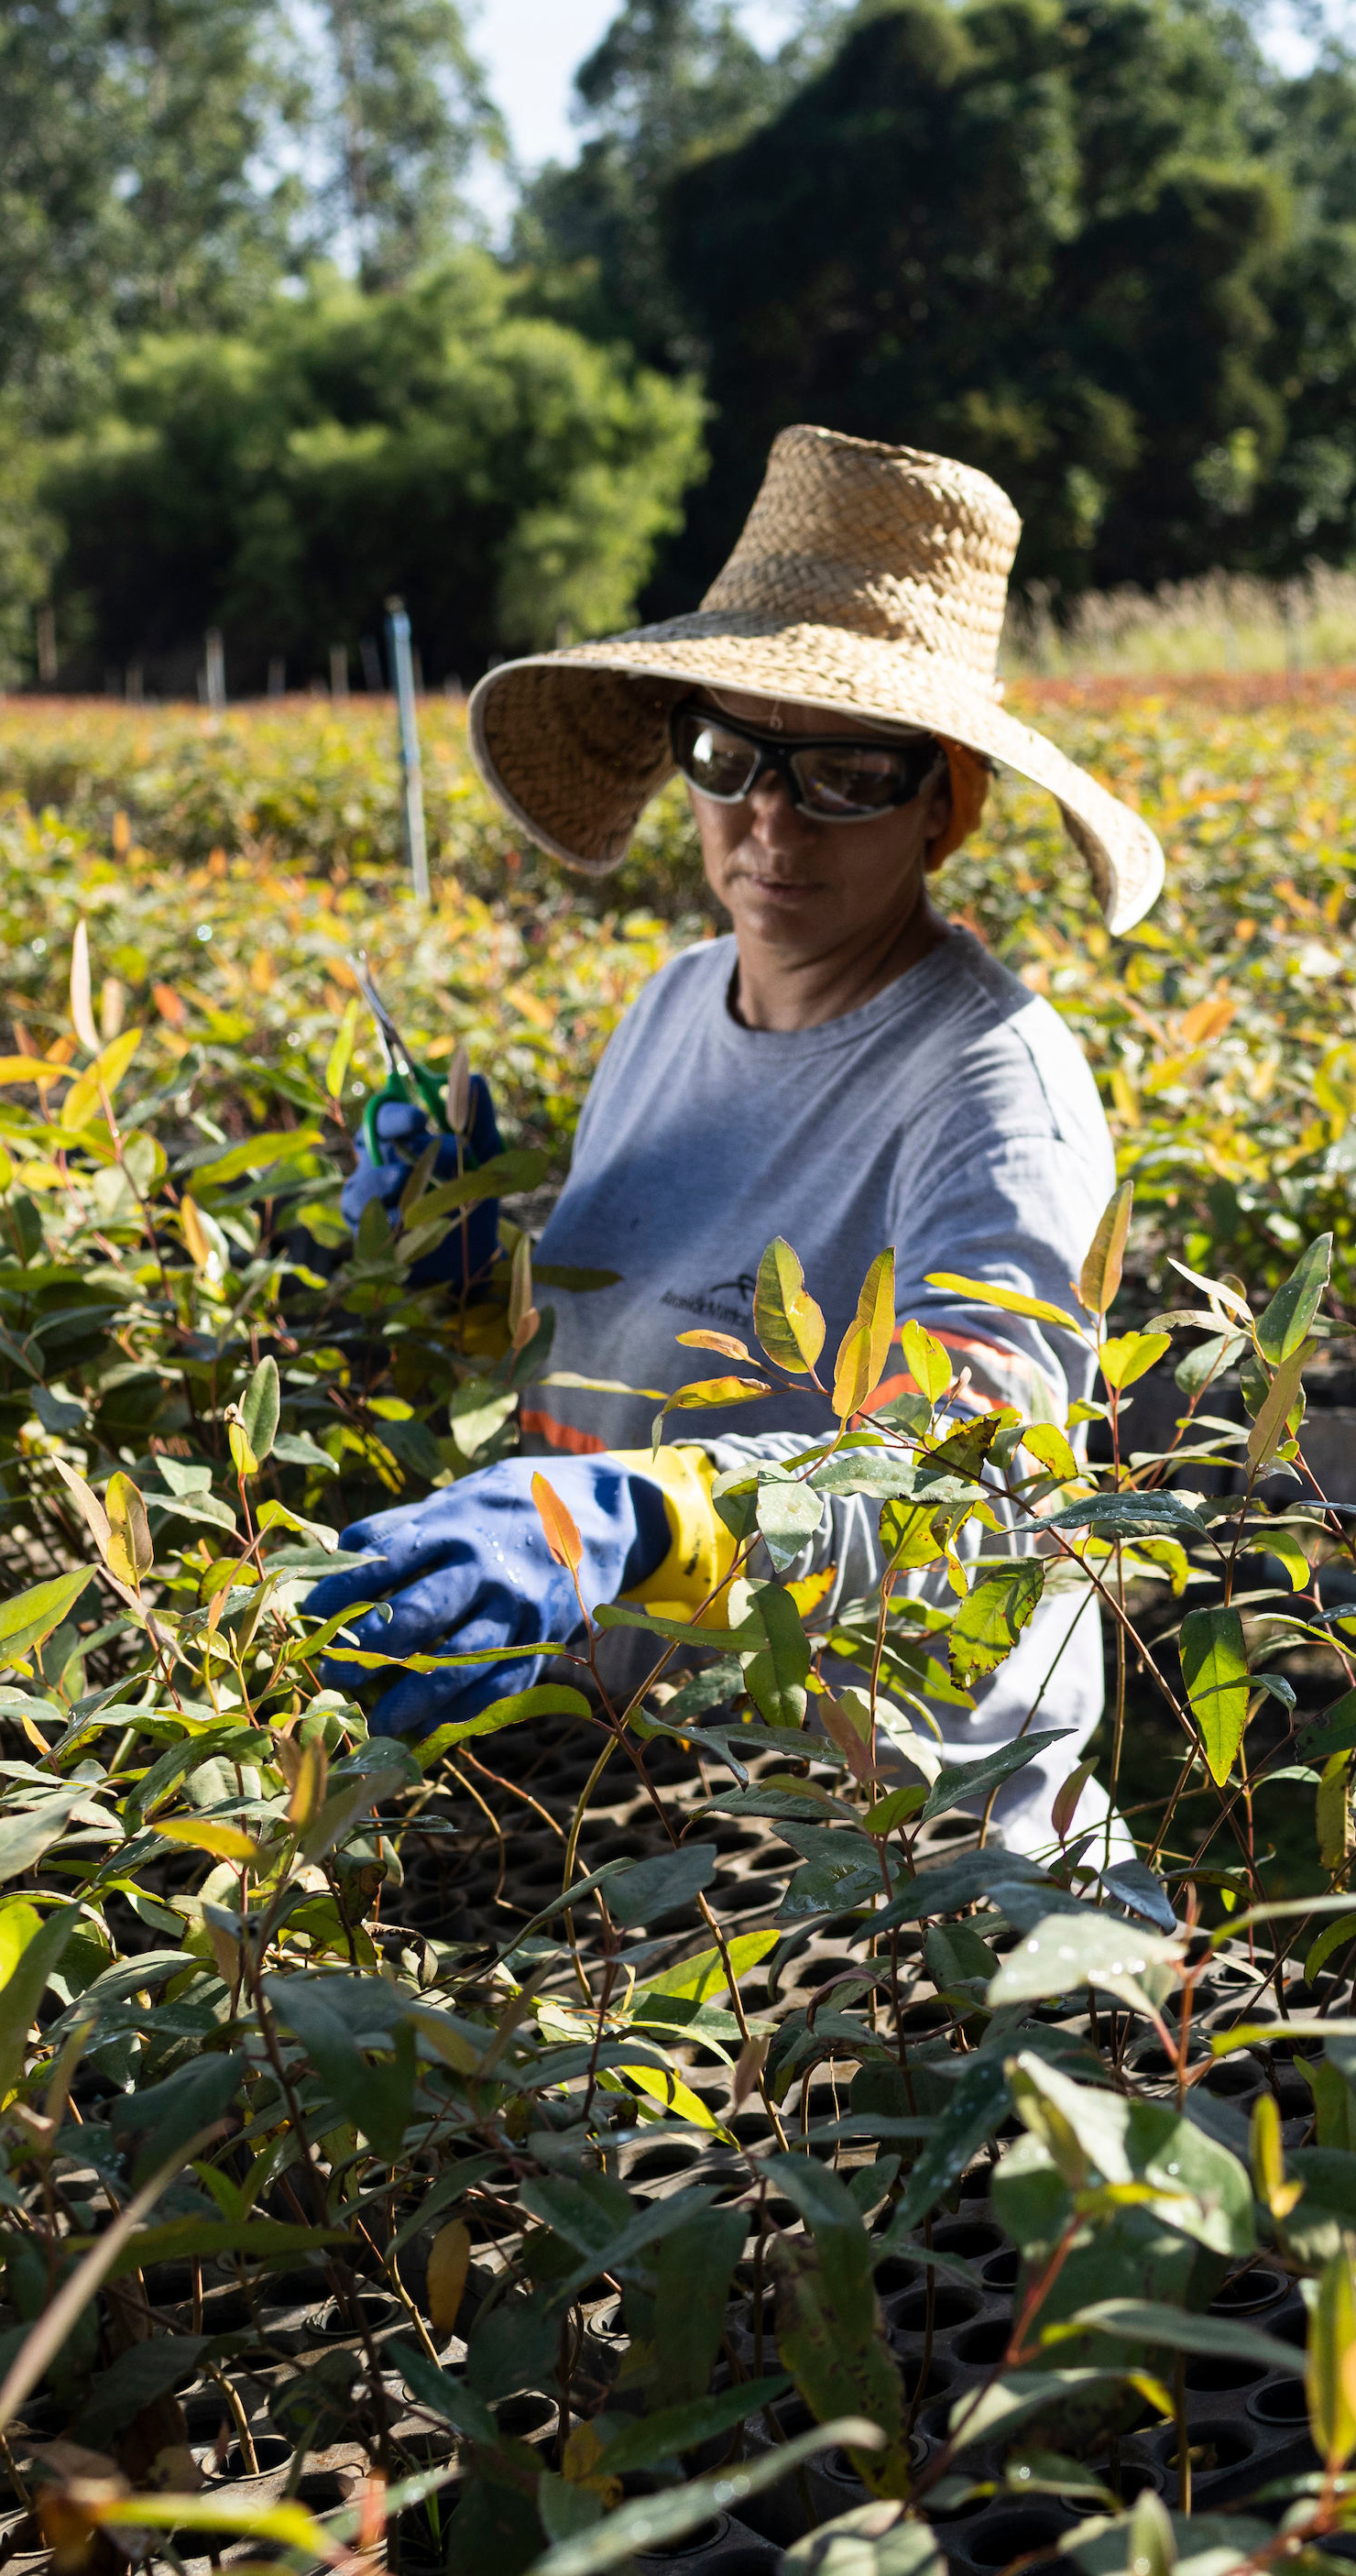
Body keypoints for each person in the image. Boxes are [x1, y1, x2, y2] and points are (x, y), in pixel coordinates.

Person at [309, 426, 1165, 1868]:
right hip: (645, 1805)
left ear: (946, 800)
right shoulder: (667, 1008)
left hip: (901, 1850)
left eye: (846, 774)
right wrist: (464, 1278)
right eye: (731, 753)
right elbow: (613, 1367)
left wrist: (635, 1523)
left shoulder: (991, 1086)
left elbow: (968, 1483)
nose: (771, 816)